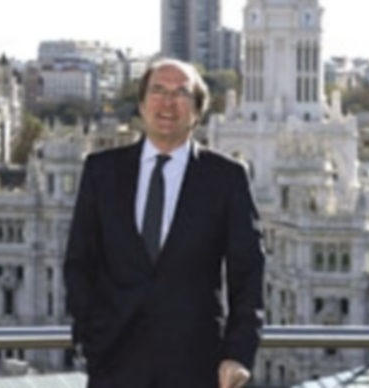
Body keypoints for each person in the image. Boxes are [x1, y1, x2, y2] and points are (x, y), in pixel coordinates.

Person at [63, 58, 265, 388]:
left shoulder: (226, 177)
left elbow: (248, 272)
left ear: (197, 112)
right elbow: (79, 261)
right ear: (142, 105)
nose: (167, 102)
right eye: (157, 90)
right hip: (114, 363)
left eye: (181, 93)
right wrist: (91, 337)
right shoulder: (101, 171)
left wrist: (238, 353)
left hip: (197, 366)